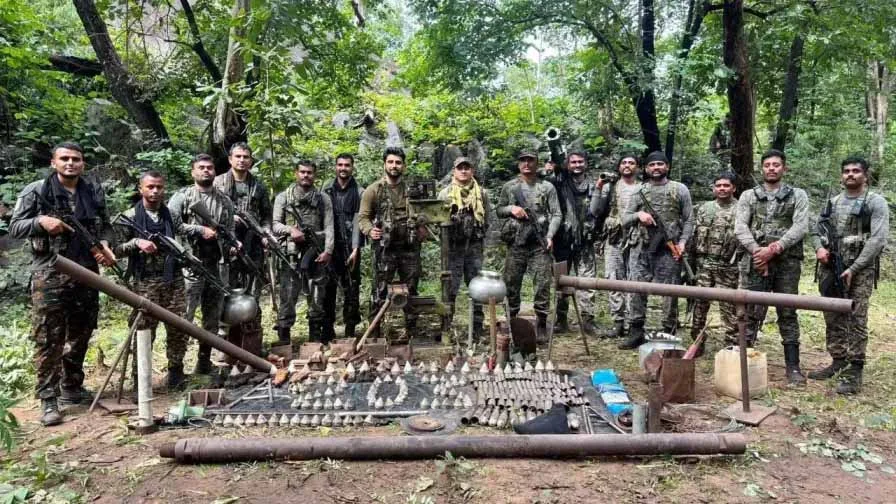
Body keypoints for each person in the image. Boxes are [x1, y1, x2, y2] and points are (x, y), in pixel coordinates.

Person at [9, 142, 116, 426]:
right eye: (64, 158)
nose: (70, 163)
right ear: (53, 163)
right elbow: (15, 226)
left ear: (83, 163)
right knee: (48, 336)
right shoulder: (36, 191)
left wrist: (105, 245)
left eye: (76, 159)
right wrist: (40, 222)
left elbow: (105, 225)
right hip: (50, 273)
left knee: (82, 331)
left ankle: (72, 386)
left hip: (87, 271)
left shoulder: (93, 191)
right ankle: (48, 398)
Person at [809, 157, 889, 394]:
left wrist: (854, 268)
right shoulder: (832, 203)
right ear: (841, 175)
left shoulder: (875, 202)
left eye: (856, 171)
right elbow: (816, 230)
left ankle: (855, 368)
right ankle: (838, 360)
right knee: (832, 314)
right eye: (846, 171)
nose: (850, 174)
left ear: (865, 175)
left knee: (856, 317)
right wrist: (819, 249)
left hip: (860, 269)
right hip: (831, 267)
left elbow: (878, 239)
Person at [734, 149, 810, 385]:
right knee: (750, 311)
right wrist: (758, 251)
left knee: (787, 311)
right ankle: (742, 363)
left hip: (787, 264)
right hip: (756, 261)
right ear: (762, 168)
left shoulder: (797, 195)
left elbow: (800, 226)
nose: (771, 169)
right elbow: (740, 226)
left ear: (784, 168)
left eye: (776, 165)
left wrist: (775, 248)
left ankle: (793, 367)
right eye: (767, 165)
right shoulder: (749, 195)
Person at [113, 171, 189, 389]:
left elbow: (182, 238)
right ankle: (140, 377)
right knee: (143, 329)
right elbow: (115, 250)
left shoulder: (171, 215)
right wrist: (136, 243)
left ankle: (176, 372)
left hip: (173, 279)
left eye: (159, 187)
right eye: (150, 187)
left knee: (178, 327)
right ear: (141, 189)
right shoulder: (128, 217)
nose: (155, 191)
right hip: (144, 281)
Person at [168, 153, 236, 375]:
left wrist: (233, 245)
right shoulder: (182, 197)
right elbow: (172, 225)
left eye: (209, 167)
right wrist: (199, 230)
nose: (206, 171)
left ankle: (204, 362)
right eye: (201, 167)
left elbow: (229, 230)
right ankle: (176, 368)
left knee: (212, 316)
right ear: (193, 172)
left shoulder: (224, 200)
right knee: (184, 315)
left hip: (215, 264)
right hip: (189, 264)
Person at [620, 151, 694, 349]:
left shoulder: (679, 189)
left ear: (667, 167)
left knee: (670, 292)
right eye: (652, 165)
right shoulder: (639, 191)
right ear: (646, 169)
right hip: (642, 248)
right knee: (637, 289)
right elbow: (624, 219)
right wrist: (638, 215)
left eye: (660, 164)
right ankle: (636, 331)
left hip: (669, 249)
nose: (656, 168)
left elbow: (689, 220)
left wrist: (683, 242)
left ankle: (668, 332)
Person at [358, 147, 426, 339]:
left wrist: (422, 226)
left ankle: (411, 332)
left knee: (411, 290)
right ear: (384, 164)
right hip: (385, 249)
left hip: (409, 247)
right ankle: (374, 334)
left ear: (403, 166)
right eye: (390, 162)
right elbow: (363, 217)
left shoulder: (412, 190)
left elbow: (425, 212)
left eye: (398, 162)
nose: (394, 166)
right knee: (379, 291)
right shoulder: (373, 190)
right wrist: (370, 230)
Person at [496, 151, 562, 341]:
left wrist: (550, 236)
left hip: (538, 244)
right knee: (511, 283)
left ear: (536, 163)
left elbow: (556, 214)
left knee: (542, 284)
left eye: (530, 160)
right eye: (523, 160)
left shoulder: (546, 187)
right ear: (518, 164)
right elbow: (499, 210)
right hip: (516, 243)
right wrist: (512, 209)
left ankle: (541, 322)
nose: (526, 164)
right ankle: (512, 320)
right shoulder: (510, 187)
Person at [213, 142, 271, 356]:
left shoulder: (259, 186)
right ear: (230, 159)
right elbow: (210, 215)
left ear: (251, 160)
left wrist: (266, 235)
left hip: (252, 248)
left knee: (253, 296)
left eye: (246, 157)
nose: (242, 160)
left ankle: (252, 345)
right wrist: (229, 221)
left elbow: (266, 216)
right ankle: (226, 347)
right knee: (225, 296)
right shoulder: (218, 184)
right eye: (238, 156)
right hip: (224, 249)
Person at [272, 161, 334, 343]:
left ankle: (315, 337)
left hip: (316, 252)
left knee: (317, 294)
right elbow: (275, 224)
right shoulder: (284, 197)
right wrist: (291, 230)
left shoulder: (323, 199)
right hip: (291, 253)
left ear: (315, 175)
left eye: (309, 172)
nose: (306, 175)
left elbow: (329, 227)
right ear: (296, 173)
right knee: (288, 293)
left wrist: (328, 251)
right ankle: (284, 336)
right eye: (302, 172)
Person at [437, 157, 491, 339]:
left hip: (474, 247)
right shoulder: (445, 194)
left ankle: (477, 327)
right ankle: (446, 327)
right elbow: (437, 222)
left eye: (467, 168)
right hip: (452, 249)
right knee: (449, 287)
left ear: (472, 171)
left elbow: (487, 219)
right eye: (460, 168)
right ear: (454, 171)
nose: (463, 171)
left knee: (477, 287)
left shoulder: (481, 193)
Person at [688, 172, 740, 355]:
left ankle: (731, 348)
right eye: (718, 185)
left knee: (729, 308)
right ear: (713, 188)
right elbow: (695, 236)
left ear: (733, 188)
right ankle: (697, 343)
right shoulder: (705, 208)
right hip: (704, 264)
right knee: (699, 305)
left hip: (728, 266)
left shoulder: (741, 209)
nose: (722, 189)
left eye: (726, 185)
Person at [591, 154, 642, 339]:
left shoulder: (643, 188)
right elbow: (595, 210)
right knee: (613, 278)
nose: (627, 165)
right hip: (613, 239)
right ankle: (618, 322)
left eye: (631, 163)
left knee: (633, 280)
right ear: (619, 167)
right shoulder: (610, 187)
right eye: (624, 162)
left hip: (636, 239)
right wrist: (599, 186)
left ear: (638, 167)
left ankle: (632, 322)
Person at [550, 151, 598, 335]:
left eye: (580, 161)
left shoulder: (594, 185)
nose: (577, 165)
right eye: (573, 162)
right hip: (563, 239)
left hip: (585, 240)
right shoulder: (559, 182)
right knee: (561, 279)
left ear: (586, 163)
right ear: (568, 165)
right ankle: (561, 319)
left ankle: (587, 320)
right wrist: (553, 167)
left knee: (587, 281)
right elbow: (546, 178)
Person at [321, 154, 364, 341]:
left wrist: (356, 248)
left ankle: (350, 328)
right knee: (328, 288)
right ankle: (327, 329)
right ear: (335, 167)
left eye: (347, 165)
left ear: (352, 167)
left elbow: (359, 220)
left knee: (352, 289)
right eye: (340, 165)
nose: (343, 168)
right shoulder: (326, 189)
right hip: (330, 246)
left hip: (351, 246)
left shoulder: (359, 192)